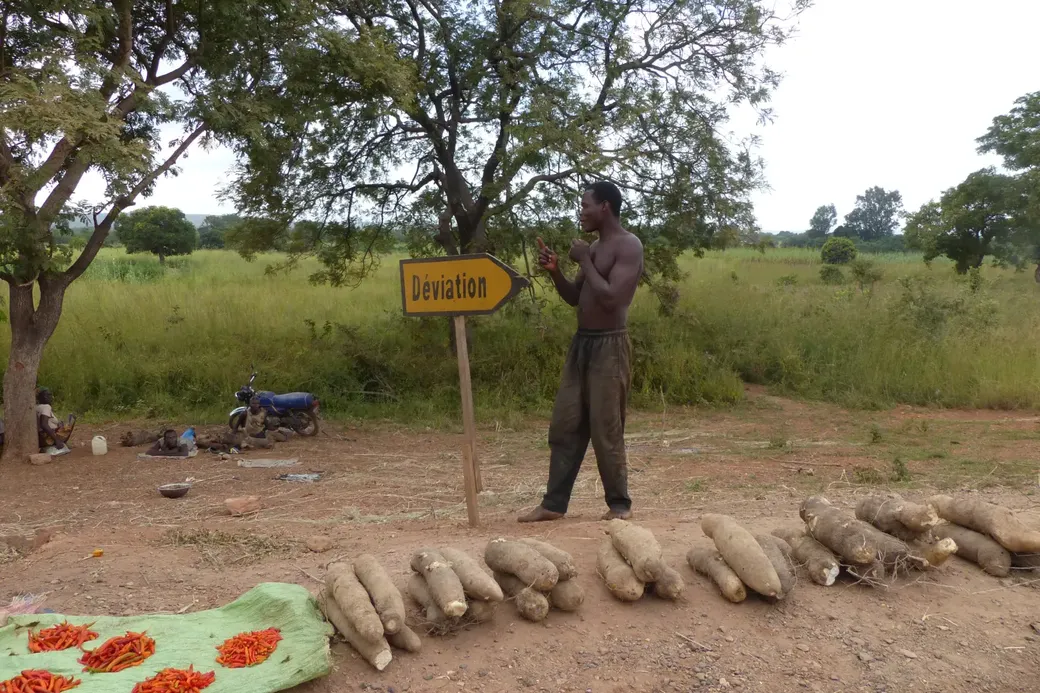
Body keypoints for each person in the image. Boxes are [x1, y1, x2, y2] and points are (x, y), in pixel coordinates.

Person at [518, 181, 644, 523]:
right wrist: (556, 271)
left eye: (586, 205)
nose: (581, 212)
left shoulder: (628, 246)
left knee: (606, 428)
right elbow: (576, 296)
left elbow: (611, 297)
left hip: (610, 346)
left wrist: (585, 258)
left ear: (605, 207)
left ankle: (620, 505)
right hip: (582, 344)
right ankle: (553, 504)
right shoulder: (595, 247)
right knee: (565, 424)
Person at [37, 388, 76, 454]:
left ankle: (61, 441)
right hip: (47, 438)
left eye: (50, 395)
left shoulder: (37, 407)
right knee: (71, 420)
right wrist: (56, 440)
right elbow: (44, 424)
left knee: (63, 423)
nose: (50, 397)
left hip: (41, 438)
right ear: (41, 398)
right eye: (47, 395)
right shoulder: (46, 407)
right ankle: (61, 442)